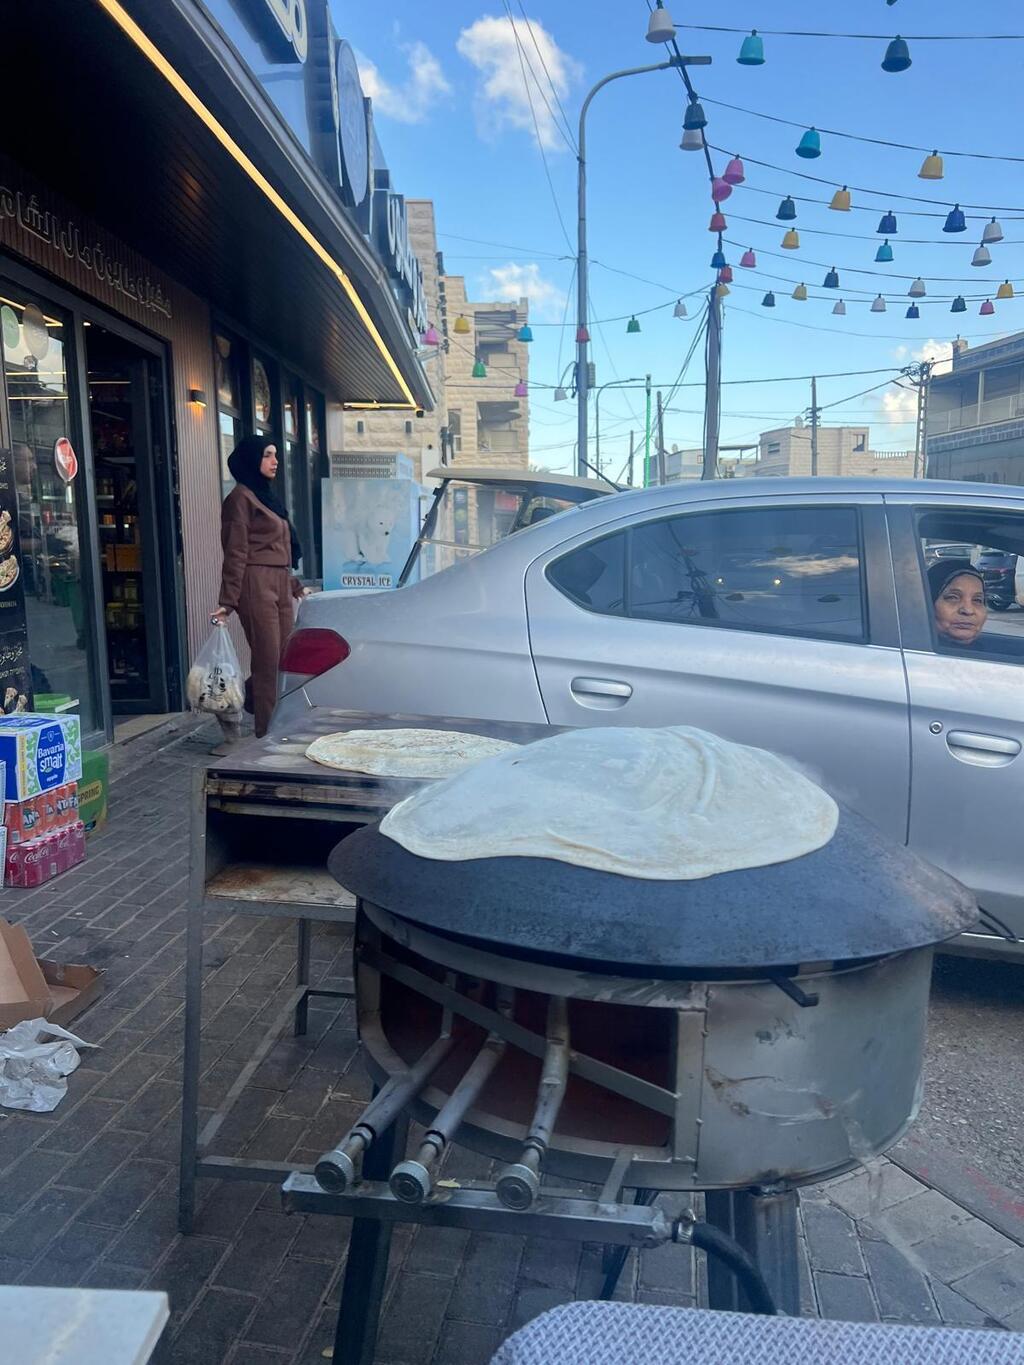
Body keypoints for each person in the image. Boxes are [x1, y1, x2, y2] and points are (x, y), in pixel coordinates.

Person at [211, 436, 303, 740]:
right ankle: (266, 734)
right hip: (256, 583)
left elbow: (279, 549)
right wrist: (228, 601)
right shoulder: (240, 499)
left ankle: (250, 698)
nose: (275, 461)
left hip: (278, 582)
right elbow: (236, 550)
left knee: (285, 659)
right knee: (268, 663)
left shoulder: (267, 498)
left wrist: (294, 585)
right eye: (267, 455)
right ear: (252, 460)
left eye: (276, 455)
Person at [928, 560, 987, 649]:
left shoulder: (989, 658)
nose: (968, 610)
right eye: (953, 598)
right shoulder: (913, 657)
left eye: (977, 600)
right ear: (929, 604)